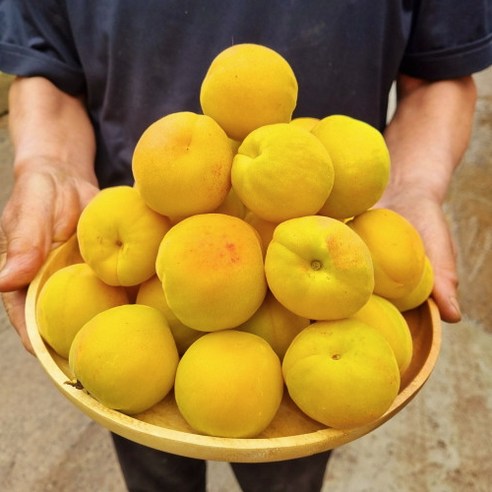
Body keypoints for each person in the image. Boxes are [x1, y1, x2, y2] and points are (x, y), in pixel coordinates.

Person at [0, 1, 491, 491]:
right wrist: (48, 160)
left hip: (317, 260)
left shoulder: (298, 222)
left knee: (287, 473)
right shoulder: (155, 255)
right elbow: (45, 67)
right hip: (133, 222)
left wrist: (415, 186)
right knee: (152, 461)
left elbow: (439, 73)